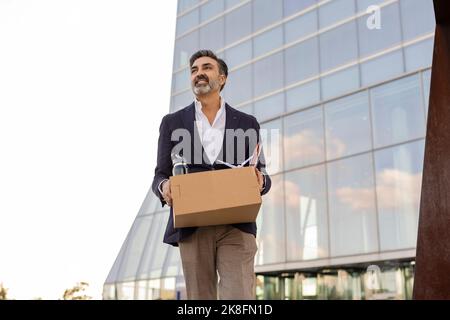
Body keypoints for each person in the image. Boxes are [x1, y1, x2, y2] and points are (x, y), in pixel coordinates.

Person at [152, 49, 272, 300]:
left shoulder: (247, 123)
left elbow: (261, 173)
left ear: (223, 78)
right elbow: (160, 174)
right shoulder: (173, 122)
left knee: (238, 297)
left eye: (206, 68)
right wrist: (165, 187)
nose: (199, 74)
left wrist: (260, 180)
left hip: (236, 225)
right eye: (194, 70)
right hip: (193, 225)